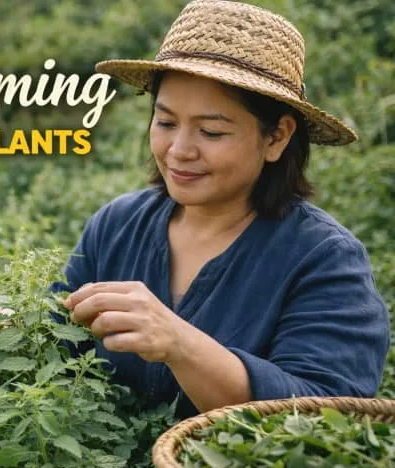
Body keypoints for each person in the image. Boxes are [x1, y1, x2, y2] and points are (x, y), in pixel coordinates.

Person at [53, 0, 390, 418]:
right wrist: (7, 330)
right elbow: (58, 344)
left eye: (211, 131)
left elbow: (328, 416)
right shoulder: (118, 225)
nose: (179, 151)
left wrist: (180, 344)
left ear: (276, 138)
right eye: (166, 122)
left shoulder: (323, 259)